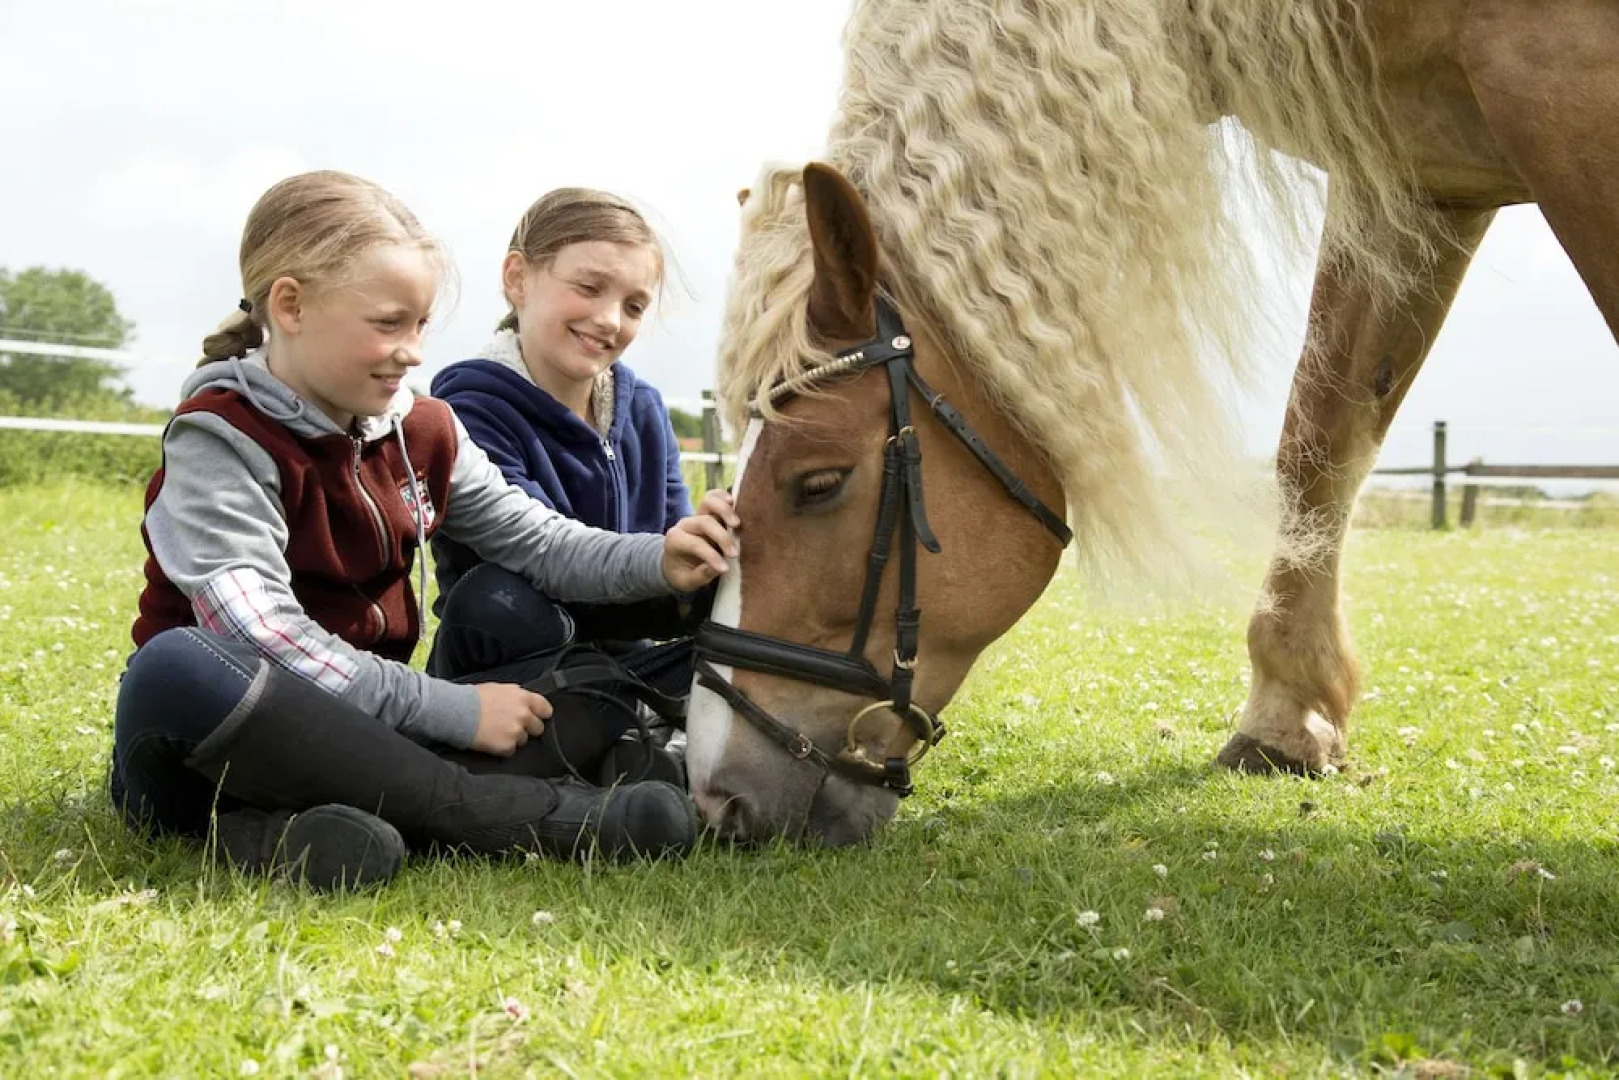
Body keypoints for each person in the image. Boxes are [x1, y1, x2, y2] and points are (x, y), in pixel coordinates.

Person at [109, 171, 740, 893]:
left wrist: (662, 557)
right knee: (181, 663)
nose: (411, 351)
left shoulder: (425, 428)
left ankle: (278, 838)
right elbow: (262, 636)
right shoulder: (219, 436)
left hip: (367, 735)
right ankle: (499, 814)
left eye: (419, 326)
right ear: (290, 305)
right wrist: (452, 709)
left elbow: (541, 542)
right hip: (215, 741)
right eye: (387, 323)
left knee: (584, 693)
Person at [428, 188, 707, 683]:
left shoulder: (644, 408)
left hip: (627, 662)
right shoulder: (469, 406)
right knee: (497, 599)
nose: (610, 320)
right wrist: (664, 567)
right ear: (517, 278)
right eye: (589, 286)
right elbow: (538, 559)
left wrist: (705, 555)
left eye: (635, 306)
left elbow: (673, 547)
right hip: (518, 663)